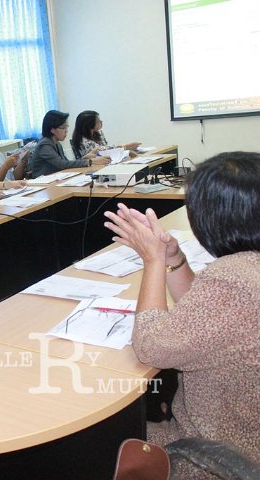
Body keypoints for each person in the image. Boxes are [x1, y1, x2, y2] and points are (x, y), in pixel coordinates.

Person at [103, 152, 260, 478]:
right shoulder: (248, 268)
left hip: (215, 455)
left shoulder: (233, 277)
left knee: (101, 434)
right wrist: (173, 259)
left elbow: (152, 347)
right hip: (242, 438)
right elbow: (207, 319)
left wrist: (153, 261)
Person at [27, 110, 108, 178]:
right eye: (63, 128)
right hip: (43, 184)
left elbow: (66, 163)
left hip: (56, 179)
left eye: (67, 127)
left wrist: (84, 158)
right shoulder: (44, 145)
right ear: (52, 129)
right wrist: (90, 161)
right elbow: (62, 164)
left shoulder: (57, 143)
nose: (66, 131)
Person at [70, 110, 141, 160]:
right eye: (98, 121)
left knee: (131, 154)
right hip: (94, 166)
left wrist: (125, 147)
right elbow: (102, 151)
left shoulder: (98, 133)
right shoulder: (82, 141)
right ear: (90, 125)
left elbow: (106, 148)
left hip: (105, 161)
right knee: (129, 153)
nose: (101, 122)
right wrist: (125, 147)